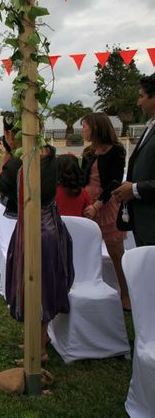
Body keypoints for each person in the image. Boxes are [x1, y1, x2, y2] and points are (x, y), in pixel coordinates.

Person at [0, 112, 74, 364]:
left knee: (33, 287)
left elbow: (0, 185)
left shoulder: (20, 162)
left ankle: (37, 350)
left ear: (11, 134)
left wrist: (7, 153)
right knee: (47, 284)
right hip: (53, 225)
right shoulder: (50, 154)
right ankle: (41, 337)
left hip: (34, 229)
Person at [80, 112, 130, 310]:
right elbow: (82, 179)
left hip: (107, 205)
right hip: (86, 204)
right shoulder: (88, 153)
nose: (82, 130)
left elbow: (114, 182)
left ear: (96, 127)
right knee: (85, 250)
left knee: (116, 253)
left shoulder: (116, 151)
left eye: (85, 126)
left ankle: (125, 295)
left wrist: (97, 205)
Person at [112, 73, 155, 247]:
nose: (138, 102)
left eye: (142, 96)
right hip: (143, 223)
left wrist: (135, 189)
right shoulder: (150, 126)